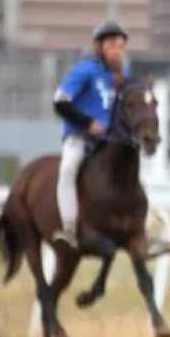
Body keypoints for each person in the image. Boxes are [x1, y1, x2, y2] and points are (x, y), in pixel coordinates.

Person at [51, 21, 131, 250]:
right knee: (68, 169)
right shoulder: (85, 70)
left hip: (109, 142)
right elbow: (60, 102)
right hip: (80, 138)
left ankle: (139, 228)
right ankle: (69, 230)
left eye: (120, 45)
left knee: (132, 171)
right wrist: (87, 123)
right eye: (111, 45)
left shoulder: (123, 75)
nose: (116, 50)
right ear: (100, 47)